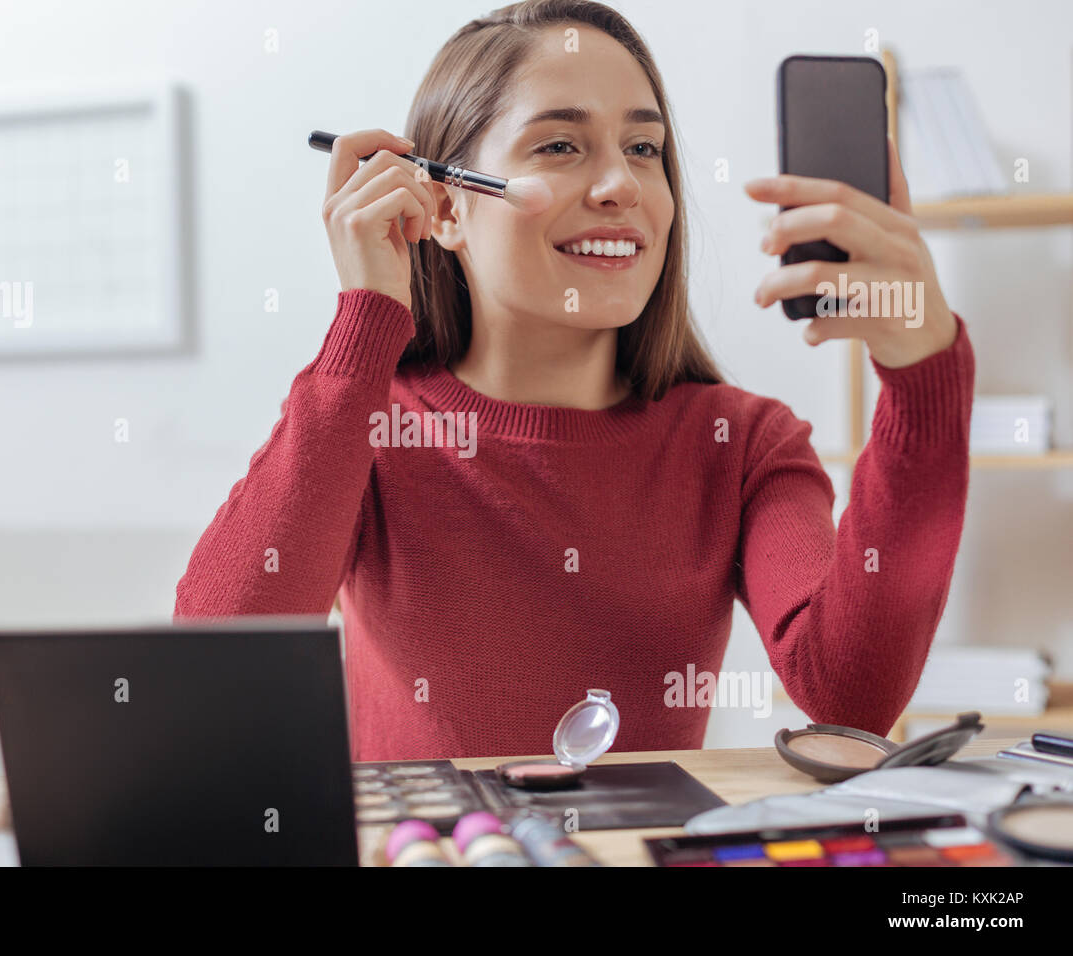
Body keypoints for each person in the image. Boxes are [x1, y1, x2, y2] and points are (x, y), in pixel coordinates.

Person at [175, 0, 974, 761]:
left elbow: (852, 697)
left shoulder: (742, 443)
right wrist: (366, 324)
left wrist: (921, 375)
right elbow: (216, 673)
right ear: (445, 207)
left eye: (644, 149)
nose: (620, 186)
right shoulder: (370, 424)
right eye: (560, 145)